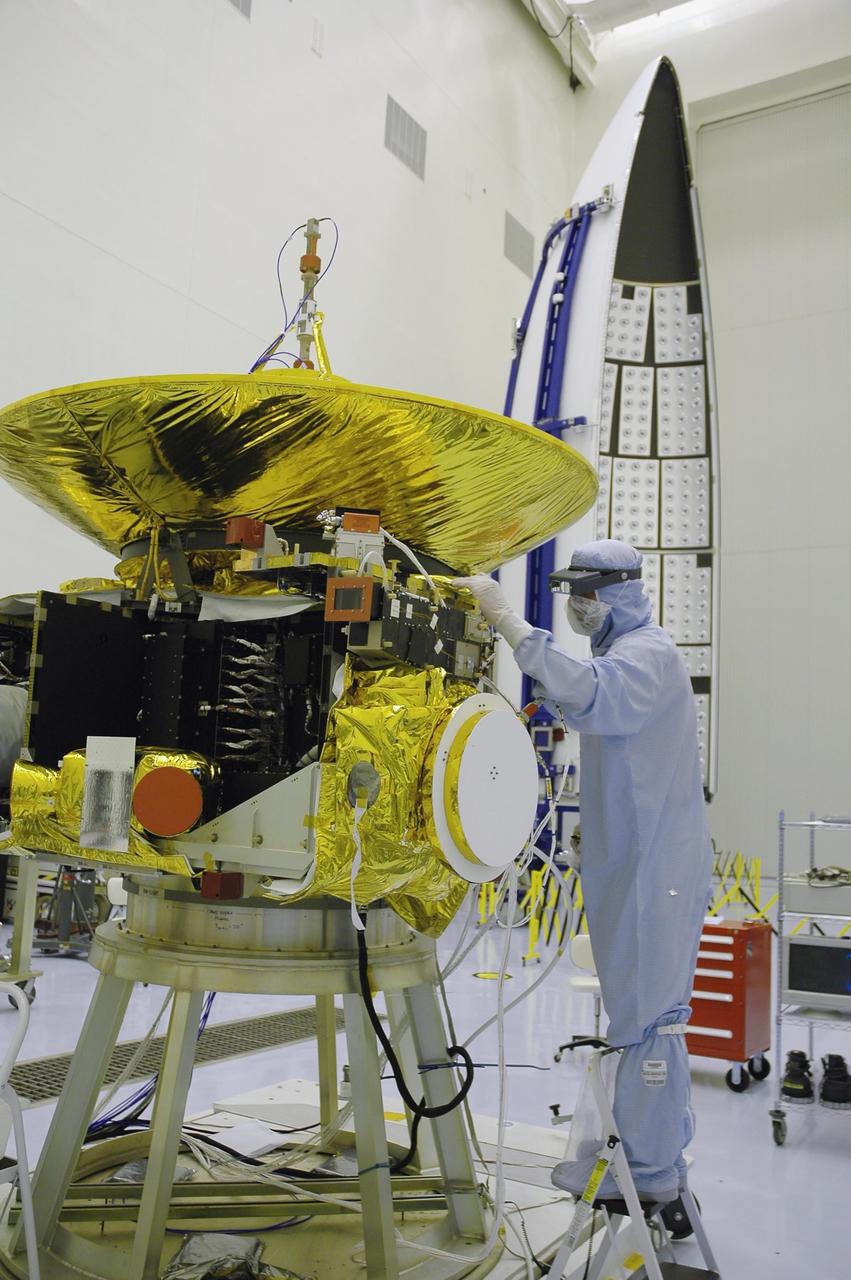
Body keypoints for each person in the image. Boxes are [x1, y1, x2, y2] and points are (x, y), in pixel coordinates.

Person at [454, 538, 712, 1204]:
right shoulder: (622, 657)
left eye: (584, 594)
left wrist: (510, 624)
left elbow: (590, 693)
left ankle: (650, 1176)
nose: (575, 605)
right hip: (633, 862)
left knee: (648, 1021)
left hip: (657, 871)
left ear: (618, 593)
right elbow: (600, 721)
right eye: (569, 593)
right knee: (633, 1015)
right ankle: (630, 1156)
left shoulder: (646, 655)